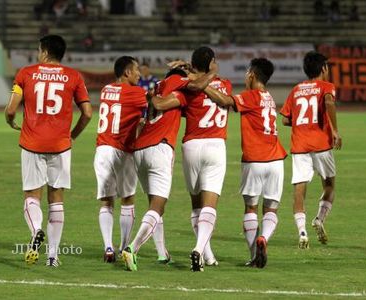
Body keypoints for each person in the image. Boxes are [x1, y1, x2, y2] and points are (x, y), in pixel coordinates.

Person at [5, 35, 92, 267]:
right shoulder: (74, 76)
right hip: (61, 146)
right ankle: (53, 256)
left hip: (32, 143)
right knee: (57, 200)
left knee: (32, 196)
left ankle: (36, 232)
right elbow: (88, 113)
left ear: (43, 52)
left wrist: (9, 119)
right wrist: (72, 135)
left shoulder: (26, 73)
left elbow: (12, 109)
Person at [122, 64, 217, 271]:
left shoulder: (157, 86)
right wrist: (210, 72)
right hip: (160, 147)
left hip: (141, 149)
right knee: (158, 205)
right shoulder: (177, 85)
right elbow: (195, 86)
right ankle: (132, 249)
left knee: (153, 205)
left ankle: (162, 253)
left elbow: (155, 100)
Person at [202, 58, 287, 268]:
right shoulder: (268, 97)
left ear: (251, 75)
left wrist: (201, 84)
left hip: (254, 160)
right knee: (271, 210)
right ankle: (263, 239)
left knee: (251, 209)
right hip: (276, 160)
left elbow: (225, 101)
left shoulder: (251, 96)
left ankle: (253, 255)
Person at [153, 47, 231, 272]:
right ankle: (199, 249)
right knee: (209, 205)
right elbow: (225, 101)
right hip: (216, 146)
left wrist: (190, 74)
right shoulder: (224, 84)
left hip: (191, 146)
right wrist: (206, 74)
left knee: (196, 205)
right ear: (212, 63)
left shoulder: (188, 87)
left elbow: (180, 103)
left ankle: (208, 254)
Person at [280, 51, 342, 250]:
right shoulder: (326, 87)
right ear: (323, 68)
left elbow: (285, 119)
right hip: (321, 144)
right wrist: (335, 130)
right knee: (329, 186)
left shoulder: (296, 90)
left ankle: (302, 232)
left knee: (299, 190)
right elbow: (329, 102)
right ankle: (319, 219)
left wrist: (301, 122)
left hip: (300, 146)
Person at [94, 56, 147, 263]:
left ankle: (108, 246)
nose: (139, 74)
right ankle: (125, 246)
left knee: (106, 202)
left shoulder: (106, 89)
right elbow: (154, 103)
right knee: (127, 199)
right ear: (127, 73)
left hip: (102, 149)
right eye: (136, 71)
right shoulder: (137, 93)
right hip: (123, 151)